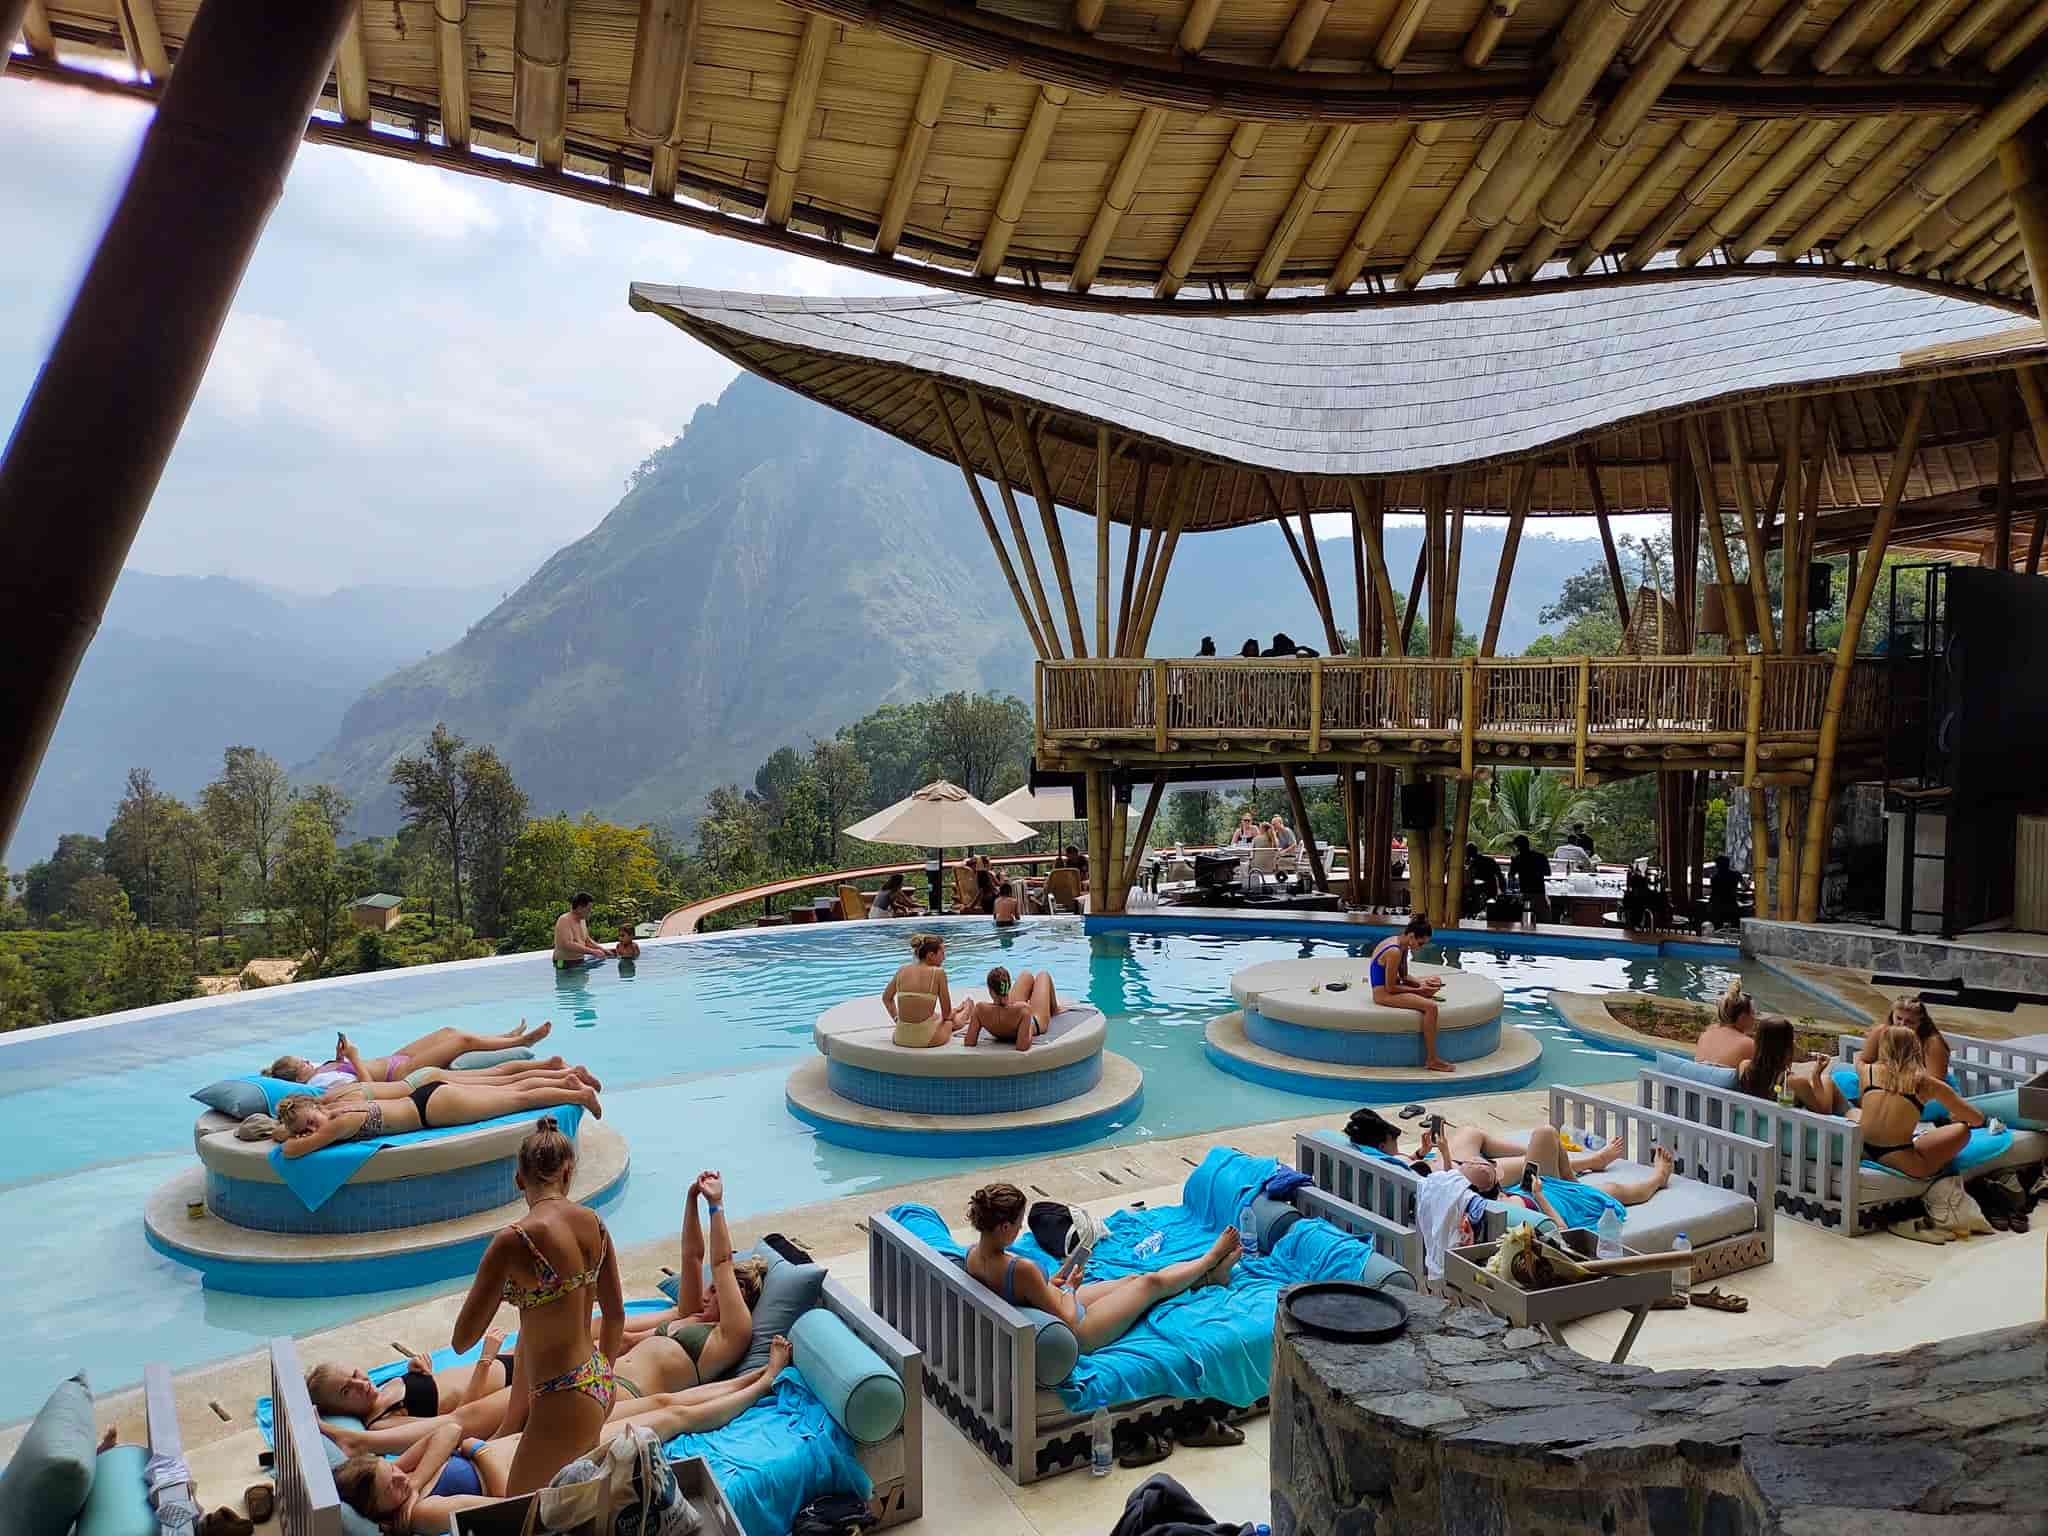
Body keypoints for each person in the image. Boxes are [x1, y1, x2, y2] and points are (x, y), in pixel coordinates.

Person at [330, 1346, 792, 1533]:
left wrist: (422, 1471)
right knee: (673, 1418)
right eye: (389, 1482)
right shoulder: (424, 1512)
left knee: (666, 1400)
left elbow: (449, 1428)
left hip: (533, 1441)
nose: (397, 1474)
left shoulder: (411, 1482)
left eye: (389, 1468)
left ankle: (746, 1378)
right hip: (547, 1461)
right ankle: (763, 1383)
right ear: (382, 1512)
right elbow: (506, 1507)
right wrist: (478, 1449)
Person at [451, 1117, 622, 1497]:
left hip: (559, 1396)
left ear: (519, 1180)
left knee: (520, 1514)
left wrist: (500, 1287)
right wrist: (606, 1377)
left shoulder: (514, 1241)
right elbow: (614, 1315)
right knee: (569, 1505)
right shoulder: (594, 1223)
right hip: (596, 1377)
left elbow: (462, 1340)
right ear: (568, 1171)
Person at [962, 1183, 1239, 1352]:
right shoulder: (1019, 1267)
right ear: (1004, 1226)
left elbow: (1025, 1293)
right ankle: (1210, 1260)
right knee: (1149, 1284)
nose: (1021, 1227)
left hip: (1046, 1305)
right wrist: (1071, 1286)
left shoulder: (972, 1255)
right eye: (1019, 1223)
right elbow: (1069, 1319)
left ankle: (1211, 1278)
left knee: (1132, 1278)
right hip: (1079, 1331)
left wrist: (1057, 1282)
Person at [607, 1172, 763, 1383]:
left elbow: (722, 1263)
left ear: (739, 1297)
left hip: (630, 1387)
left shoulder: (732, 1334)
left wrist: (715, 1204)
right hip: (603, 1369)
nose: (705, 1294)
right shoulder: (693, 1314)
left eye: (716, 1290)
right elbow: (691, 1257)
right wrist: (692, 1198)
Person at [272, 1075, 601, 1157]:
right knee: (510, 1090)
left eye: (309, 1122)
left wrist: (296, 1137)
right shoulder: (334, 1108)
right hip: (428, 1098)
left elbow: (290, 1150)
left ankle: (578, 1094)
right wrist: (296, 1129)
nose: (311, 1129)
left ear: (315, 1108)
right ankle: (565, 1082)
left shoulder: (337, 1123)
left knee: (516, 1100)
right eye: (306, 1128)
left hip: (433, 1110)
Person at [305, 1332, 513, 1438]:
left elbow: (437, 1393)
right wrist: (484, 1361)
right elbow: (459, 1420)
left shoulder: (380, 1389)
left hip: (499, 1362)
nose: (361, 1384)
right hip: (504, 1384)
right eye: (346, 1391)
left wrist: (415, 1371)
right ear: (339, 1410)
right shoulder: (381, 1423)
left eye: (354, 1374)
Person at [1853, 1024, 1985, 1179]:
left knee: (1854, 1112)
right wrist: (1959, 1118)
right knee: (1962, 1130)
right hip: (1899, 1158)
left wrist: (1880, 1030)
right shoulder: (1926, 1083)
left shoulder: (1866, 1070)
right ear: (1916, 1049)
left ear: (1884, 1047)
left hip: (1862, 1148)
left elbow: (1863, 1056)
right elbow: (1977, 1119)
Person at [267, 1022, 552, 1090]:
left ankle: (504, 1037)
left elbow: (343, 1071)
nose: (308, 1061)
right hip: (397, 1075)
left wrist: (340, 1057)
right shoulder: (320, 1085)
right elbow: (368, 1090)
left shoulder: (321, 1070)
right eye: (302, 1063)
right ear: (297, 1077)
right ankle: (520, 1041)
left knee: (447, 1031)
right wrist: (353, 1058)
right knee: (461, 1042)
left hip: (394, 1058)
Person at [1369, 915, 1452, 1073]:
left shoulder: (1402, 944)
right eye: (1420, 943)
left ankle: (1432, 1059)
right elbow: (1390, 987)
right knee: (1431, 1008)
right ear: (1412, 936)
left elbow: (1405, 976)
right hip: (1383, 994)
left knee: (1433, 980)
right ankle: (1432, 1059)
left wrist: (1423, 984)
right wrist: (1420, 991)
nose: (1420, 947)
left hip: (1391, 987)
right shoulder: (1394, 951)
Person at [1737, 1018, 1850, 1116]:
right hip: (1783, 1135)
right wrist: (1816, 1075)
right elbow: (1824, 1113)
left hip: (1757, 1127)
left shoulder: (1745, 1067)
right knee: (1826, 1081)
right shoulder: (1793, 1082)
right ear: (1787, 1047)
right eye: (1792, 1040)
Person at [961, 966, 1064, 1052]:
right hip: (1034, 1023)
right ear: (1008, 987)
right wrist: (1028, 1024)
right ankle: (1055, 1010)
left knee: (1026, 976)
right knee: (1043, 975)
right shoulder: (1023, 1009)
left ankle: (1005, 1002)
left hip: (1011, 1016)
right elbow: (1022, 1047)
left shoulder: (980, 1009)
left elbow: (969, 1042)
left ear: (991, 991)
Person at [882, 932, 957, 1047]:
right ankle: (967, 1010)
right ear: (931, 955)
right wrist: (954, 1014)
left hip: (900, 1037)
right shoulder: (938, 973)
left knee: (936, 1016)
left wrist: (897, 1019)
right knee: (949, 1022)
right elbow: (946, 1014)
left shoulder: (902, 970)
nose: (944, 957)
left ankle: (963, 1010)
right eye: (942, 953)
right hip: (926, 1039)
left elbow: (886, 998)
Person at [1857, 995, 1952, 1082]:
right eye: (1898, 1018)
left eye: (1909, 1021)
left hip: (1924, 1088)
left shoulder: (1932, 1043)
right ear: (1892, 1015)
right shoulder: (1881, 1032)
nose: (1902, 1024)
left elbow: (1935, 1081)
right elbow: (1863, 1061)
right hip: (1885, 1081)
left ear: (1921, 1022)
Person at [1695, 982, 1762, 1070]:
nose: (1755, 1017)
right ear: (1742, 1018)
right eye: (1753, 1013)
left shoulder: (1705, 1035)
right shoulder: (1747, 1044)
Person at [553, 894, 613, 969]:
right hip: (564, 963)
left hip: (579, 961)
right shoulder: (564, 920)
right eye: (588, 909)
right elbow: (567, 944)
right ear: (579, 908)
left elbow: (587, 940)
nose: (590, 911)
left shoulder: (582, 920)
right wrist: (593, 952)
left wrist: (603, 950)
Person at [1508, 835, 1551, 923]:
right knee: (1543, 923)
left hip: (1525, 894)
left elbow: (1511, 876)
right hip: (1539, 893)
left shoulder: (1517, 859)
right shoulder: (1541, 856)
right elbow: (1548, 872)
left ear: (1518, 847)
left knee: (1524, 922)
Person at [1707, 856, 1743, 930]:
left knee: (1717, 928)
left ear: (1718, 865)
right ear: (1728, 864)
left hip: (1718, 907)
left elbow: (1713, 894)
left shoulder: (1715, 878)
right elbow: (1745, 887)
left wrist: (1709, 905)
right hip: (1732, 905)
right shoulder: (1736, 875)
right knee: (1735, 927)